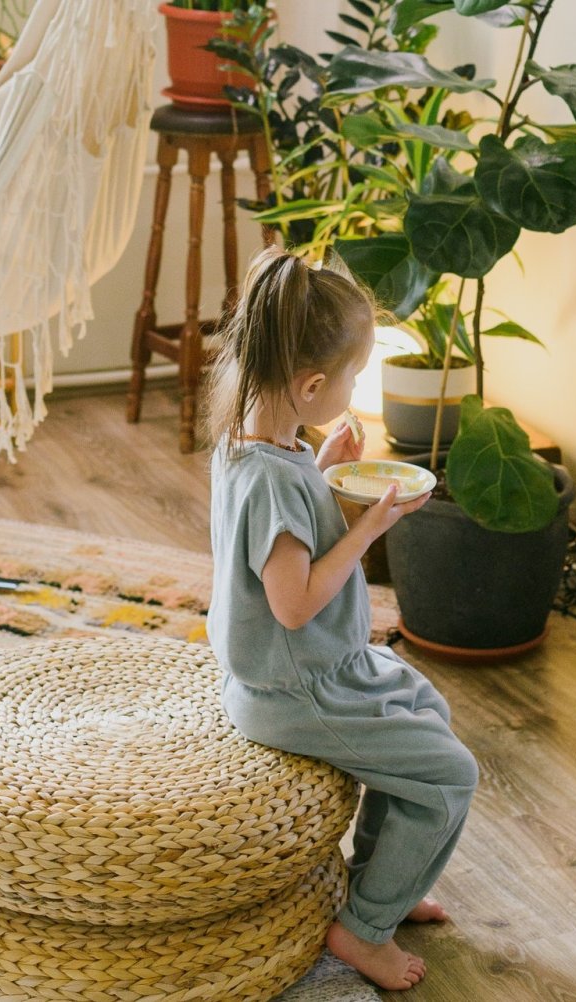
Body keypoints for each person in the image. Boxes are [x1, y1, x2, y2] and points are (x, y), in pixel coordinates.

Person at [204, 247, 479, 991]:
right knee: (451, 773)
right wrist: (368, 528)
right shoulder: (268, 479)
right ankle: (363, 930)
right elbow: (293, 603)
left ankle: (388, 875)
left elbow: (281, 537)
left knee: (428, 708)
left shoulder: (257, 443)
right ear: (313, 384)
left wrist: (323, 465)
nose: (356, 386)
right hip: (296, 692)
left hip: (316, 669)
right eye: (354, 376)